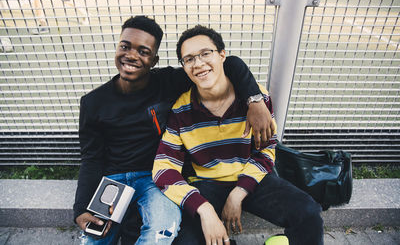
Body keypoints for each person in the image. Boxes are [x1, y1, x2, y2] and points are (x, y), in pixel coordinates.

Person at [74, 16, 275, 245]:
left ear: (154, 60)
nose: (131, 55)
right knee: (95, 237)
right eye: (125, 46)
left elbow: (229, 63)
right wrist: (80, 208)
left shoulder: (169, 81)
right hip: (113, 180)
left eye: (143, 51)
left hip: (153, 176)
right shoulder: (93, 102)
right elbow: (91, 158)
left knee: (162, 231)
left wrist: (255, 101)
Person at [152, 25, 324, 245]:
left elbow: (266, 151)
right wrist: (203, 209)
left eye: (206, 53)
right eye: (189, 59)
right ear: (184, 67)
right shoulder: (181, 110)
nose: (199, 64)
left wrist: (239, 191)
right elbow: (163, 168)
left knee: (308, 212)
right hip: (206, 183)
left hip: (253, 178)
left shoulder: (256, 99)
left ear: (222, 55)